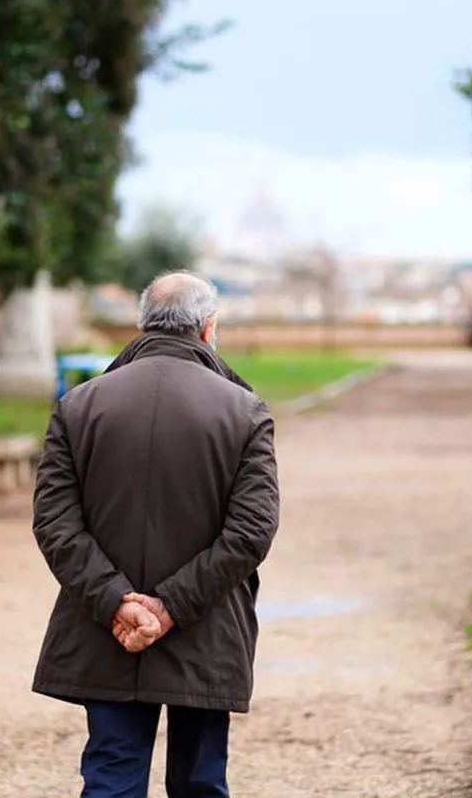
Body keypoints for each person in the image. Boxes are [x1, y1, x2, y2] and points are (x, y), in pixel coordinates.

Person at [30, 270, 281, 798]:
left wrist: (119, 602)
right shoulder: (244, 410)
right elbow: (251, 531)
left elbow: (55, 521)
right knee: (200, 781)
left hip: (106, 629)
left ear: (142, 325)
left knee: (111, 777)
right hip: (205, 625)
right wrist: (169, 606)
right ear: (208, 329)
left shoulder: (79, 406)